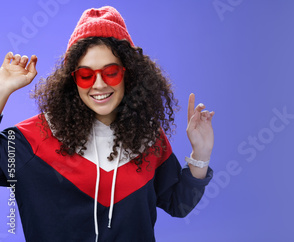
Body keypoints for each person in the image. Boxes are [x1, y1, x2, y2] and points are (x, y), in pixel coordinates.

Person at [0, 6, 214, 242]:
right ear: (73, 81)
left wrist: (201, 153)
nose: (99, 84)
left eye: (111, 72)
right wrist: (1, 90)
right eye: (85, 75)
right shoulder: (33, 140)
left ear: (129, 74)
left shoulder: (149, 139)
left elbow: (178, 204)